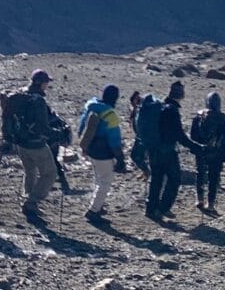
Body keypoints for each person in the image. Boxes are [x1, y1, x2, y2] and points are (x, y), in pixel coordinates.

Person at [5, 69, 59, 218]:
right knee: (50, 173)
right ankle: (32, 201)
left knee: (30, 172)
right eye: (46, 82)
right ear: (41, 83)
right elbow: (42, 128)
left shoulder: (21, 95)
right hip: (36, 144)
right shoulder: (38, 101)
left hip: (21, 143)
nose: (47, 85)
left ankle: (28, 200)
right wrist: (59, 135)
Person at [146, 82, 202, 221]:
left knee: (156, 179)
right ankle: (163, 208)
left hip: (153, 149)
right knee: (174, 178)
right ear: (181, 95)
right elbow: (179, 134)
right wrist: (195, 146)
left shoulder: (159, 107)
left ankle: (151, 209)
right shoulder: (172, 110)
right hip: (167, 151)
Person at [78, 84, 124, 223]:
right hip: (103, 153)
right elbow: (114, 140)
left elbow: (82, 127)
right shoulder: (110, 115)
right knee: (105, 182)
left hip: (90, 148)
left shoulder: (91, 107)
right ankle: (93, 211)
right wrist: (120, 159)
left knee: (99, 178)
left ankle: (98, 204)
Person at [189, 92, 225, 214]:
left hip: (201, 150)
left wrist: (195, 148)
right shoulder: (223, 118)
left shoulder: (199, 116)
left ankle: (199, 199)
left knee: (200, 173)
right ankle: (211, 204)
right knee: (214, 177)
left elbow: (193, 135)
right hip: (216, 152)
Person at [47, 108, 73, 193]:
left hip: (49, 143)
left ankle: (55, 181)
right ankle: (62, 181)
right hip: (55, 143)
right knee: (55, 162)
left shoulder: (45, 118)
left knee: (51, 162)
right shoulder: (55, 117)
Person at [128, 91, 150, 178]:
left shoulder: (143, 109)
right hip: (140, 137)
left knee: (136, 156)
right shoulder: (137, 110)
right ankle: (145, 171)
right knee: (137, 156)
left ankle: (146, 172)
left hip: (143, 137)